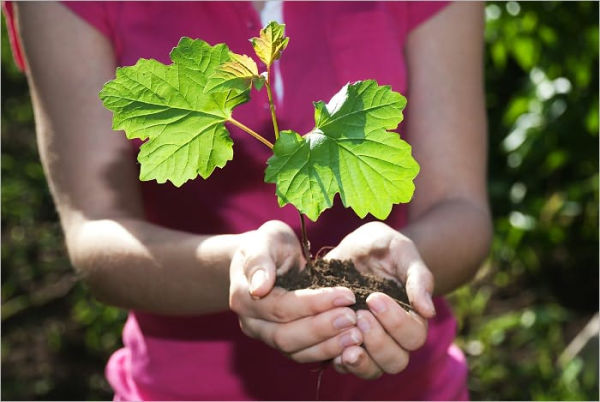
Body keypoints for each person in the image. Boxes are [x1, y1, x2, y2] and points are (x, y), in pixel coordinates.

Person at [4, 1, 491, 400]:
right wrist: (241, 268)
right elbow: (95, 233)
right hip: (181, 387)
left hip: (412, 386)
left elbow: (461, 210)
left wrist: (396, 267)